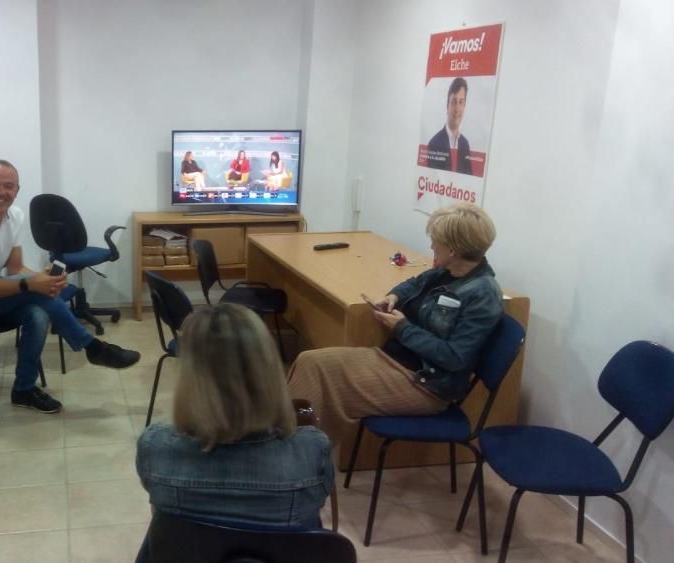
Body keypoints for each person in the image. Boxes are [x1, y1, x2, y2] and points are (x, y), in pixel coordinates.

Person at [0, 160, 141, 414]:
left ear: (17, 190)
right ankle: (92, 347)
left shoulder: (15, 216)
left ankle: (24, 390)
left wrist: (42, 279)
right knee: (37, 294)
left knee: (38, 313)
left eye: (8, 186)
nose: (1, 192)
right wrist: (32, 284)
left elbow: (16, 269)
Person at [287, 203, 502, 445]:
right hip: (396, 361)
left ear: (453, 249)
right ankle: (295, 450)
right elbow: (413, 283)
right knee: (309, 361)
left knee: (327, 387)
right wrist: (394, 296)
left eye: (435, 240)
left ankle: (296, 455)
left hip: (425, 385)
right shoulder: (448, 271)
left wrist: (403, 328)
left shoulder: (483, 295)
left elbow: (454, 357)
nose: (431, 245)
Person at [136, 303, 334, 531]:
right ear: (268, 369)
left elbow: (163, 530)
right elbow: (310, 521)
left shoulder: (156, 448)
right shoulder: (311, 450)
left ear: (190, 378)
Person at [426, 77, 473, 175]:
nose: (457, 108)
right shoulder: (434, 144)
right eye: (453, 102)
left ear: (464, 106)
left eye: (461, 102)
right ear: (447, 106)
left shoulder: (465, 144)